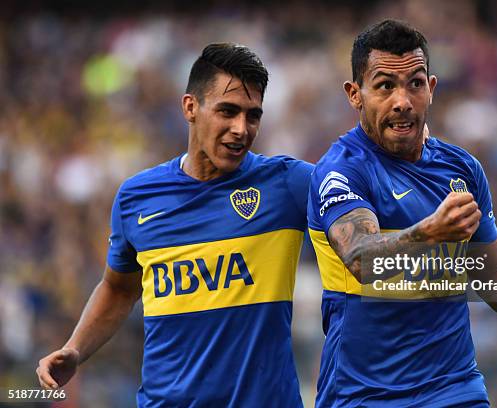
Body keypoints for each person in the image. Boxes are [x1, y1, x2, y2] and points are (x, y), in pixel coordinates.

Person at [37, 43, 312, 407]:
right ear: (190, 107)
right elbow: (119, 289)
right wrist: (75, 349)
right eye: (227, 111)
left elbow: (361, 206)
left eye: (253, 115)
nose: (241, 129)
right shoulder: (137, 197)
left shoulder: (286, 184)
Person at [307, 20, 497, 407]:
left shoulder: (462, 170)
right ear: (355, 94)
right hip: (365, 394)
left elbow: (493, 273)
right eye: (385, 85)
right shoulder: (342, 171)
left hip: (455, 388)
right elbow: (360, 257)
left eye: (414, 83)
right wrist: (430, 231)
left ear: (431, 89)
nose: (402, 100)